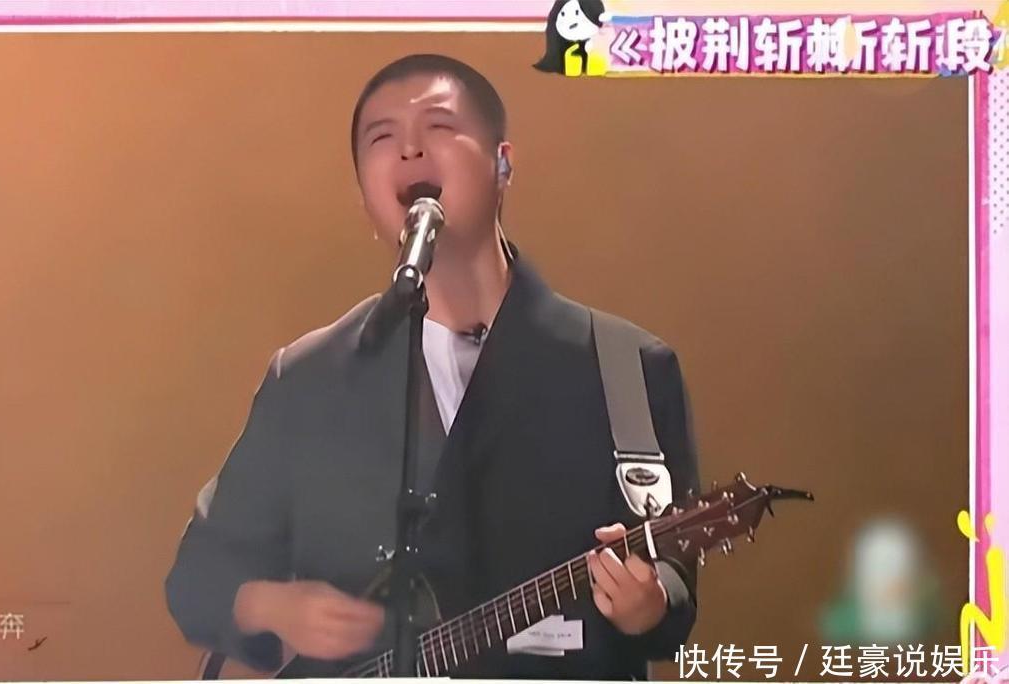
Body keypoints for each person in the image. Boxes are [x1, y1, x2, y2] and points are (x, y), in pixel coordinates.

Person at [165, 53, 700, 680]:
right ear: (364, 195)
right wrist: (272, 605)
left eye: (439, 127)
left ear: (503, 164)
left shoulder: (627, 367)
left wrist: (650, 603)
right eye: (382, 138)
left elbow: (673, 570)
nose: (410, 149)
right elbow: (199, 574)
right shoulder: (310, 378)